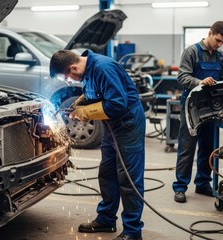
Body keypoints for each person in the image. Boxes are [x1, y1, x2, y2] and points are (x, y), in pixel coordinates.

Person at [49, 50, 146, 240]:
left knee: (128, 179)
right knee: (108, 173)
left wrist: (83, 112)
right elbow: (96, 93)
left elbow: (117, 105)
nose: (70, 83)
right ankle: (107, 219)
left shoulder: (103, 68)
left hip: (128, 126)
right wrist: (80, 102)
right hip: (112, 128)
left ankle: (133, 231)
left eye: (68, 79)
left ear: (73, 67)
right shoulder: (88, 71)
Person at [172, 21, 223, 203]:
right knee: (187, 147)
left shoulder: (221, 57)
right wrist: (200, 82)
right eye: (218, 40)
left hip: (211, 109)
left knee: (209, 147)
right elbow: (182, 77)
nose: (219, 45)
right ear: (210, 33)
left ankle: (203, 183)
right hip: (192, 108)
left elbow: (222, 81)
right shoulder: (192, 52)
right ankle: (180, 187)